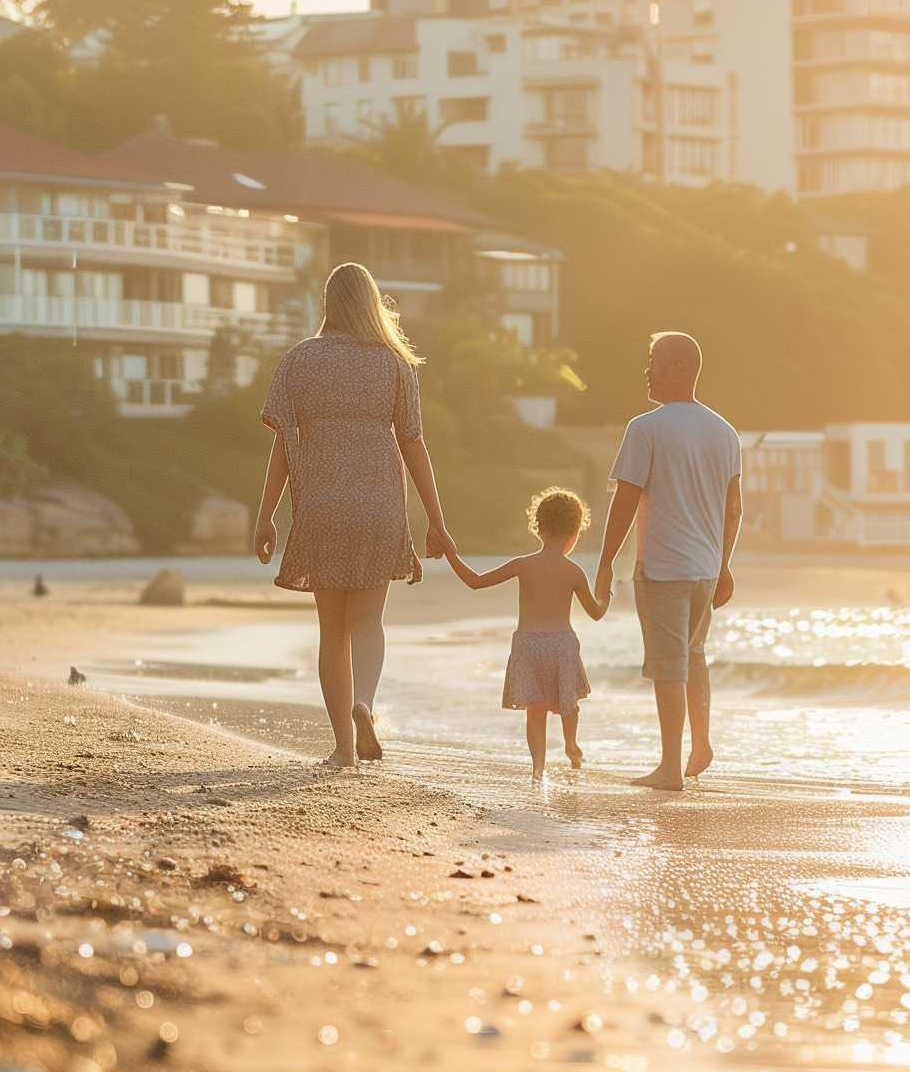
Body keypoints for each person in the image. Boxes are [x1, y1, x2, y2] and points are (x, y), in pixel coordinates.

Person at [253, 262, 454, 767]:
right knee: (368, 621)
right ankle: (365, 701)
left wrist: (265, 516)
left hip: (321, 506)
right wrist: (436, 518)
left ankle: (343, 746)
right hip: (378, 504)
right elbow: (413, 444)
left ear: (328, 303)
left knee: (332, 630)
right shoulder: (393, 363)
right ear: (371, 302)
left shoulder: (300, 360)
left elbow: (282, 445)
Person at [593, 331, 742, 791]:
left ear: (680, 368)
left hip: (662, 569)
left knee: (668, 667)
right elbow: (733, 508)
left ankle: (670, 768)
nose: (647, 370)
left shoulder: (646, 428)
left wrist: (604, 564)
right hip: (703, 569)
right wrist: (723, 564)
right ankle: (700, 744)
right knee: (693, 657)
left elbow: (625, 502)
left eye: (654, 361)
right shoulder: (724, 431)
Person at [444, 488, 607, 777]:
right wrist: (606, 594)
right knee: (569, 704)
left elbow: (475, 581)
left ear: (538, 528)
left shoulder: (524, 564)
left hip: (529, 644)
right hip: (561, 645)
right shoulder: (574, 571)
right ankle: (571, 743)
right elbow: (596, 612)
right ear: (575, 533)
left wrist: (450, 553)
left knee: (536, 711)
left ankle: (538, 769)